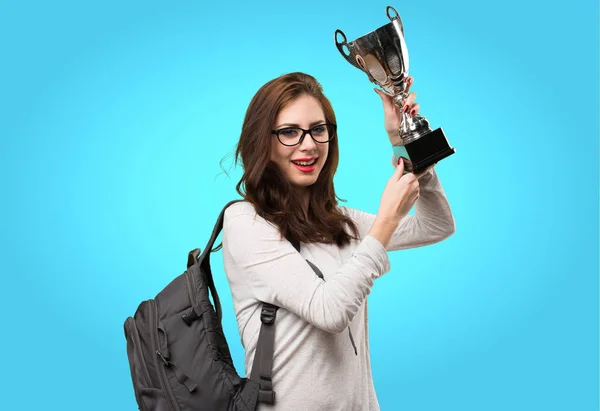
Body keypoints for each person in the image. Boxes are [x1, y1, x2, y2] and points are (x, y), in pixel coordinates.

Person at [222, 72, 455, 410]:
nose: (308, 144)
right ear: (263, 142)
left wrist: (404, 141)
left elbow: (437, 225)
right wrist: (387, 220)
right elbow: (328, 310)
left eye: (318, 129)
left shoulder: (339, 223)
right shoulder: (247, 223)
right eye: (289, 132)